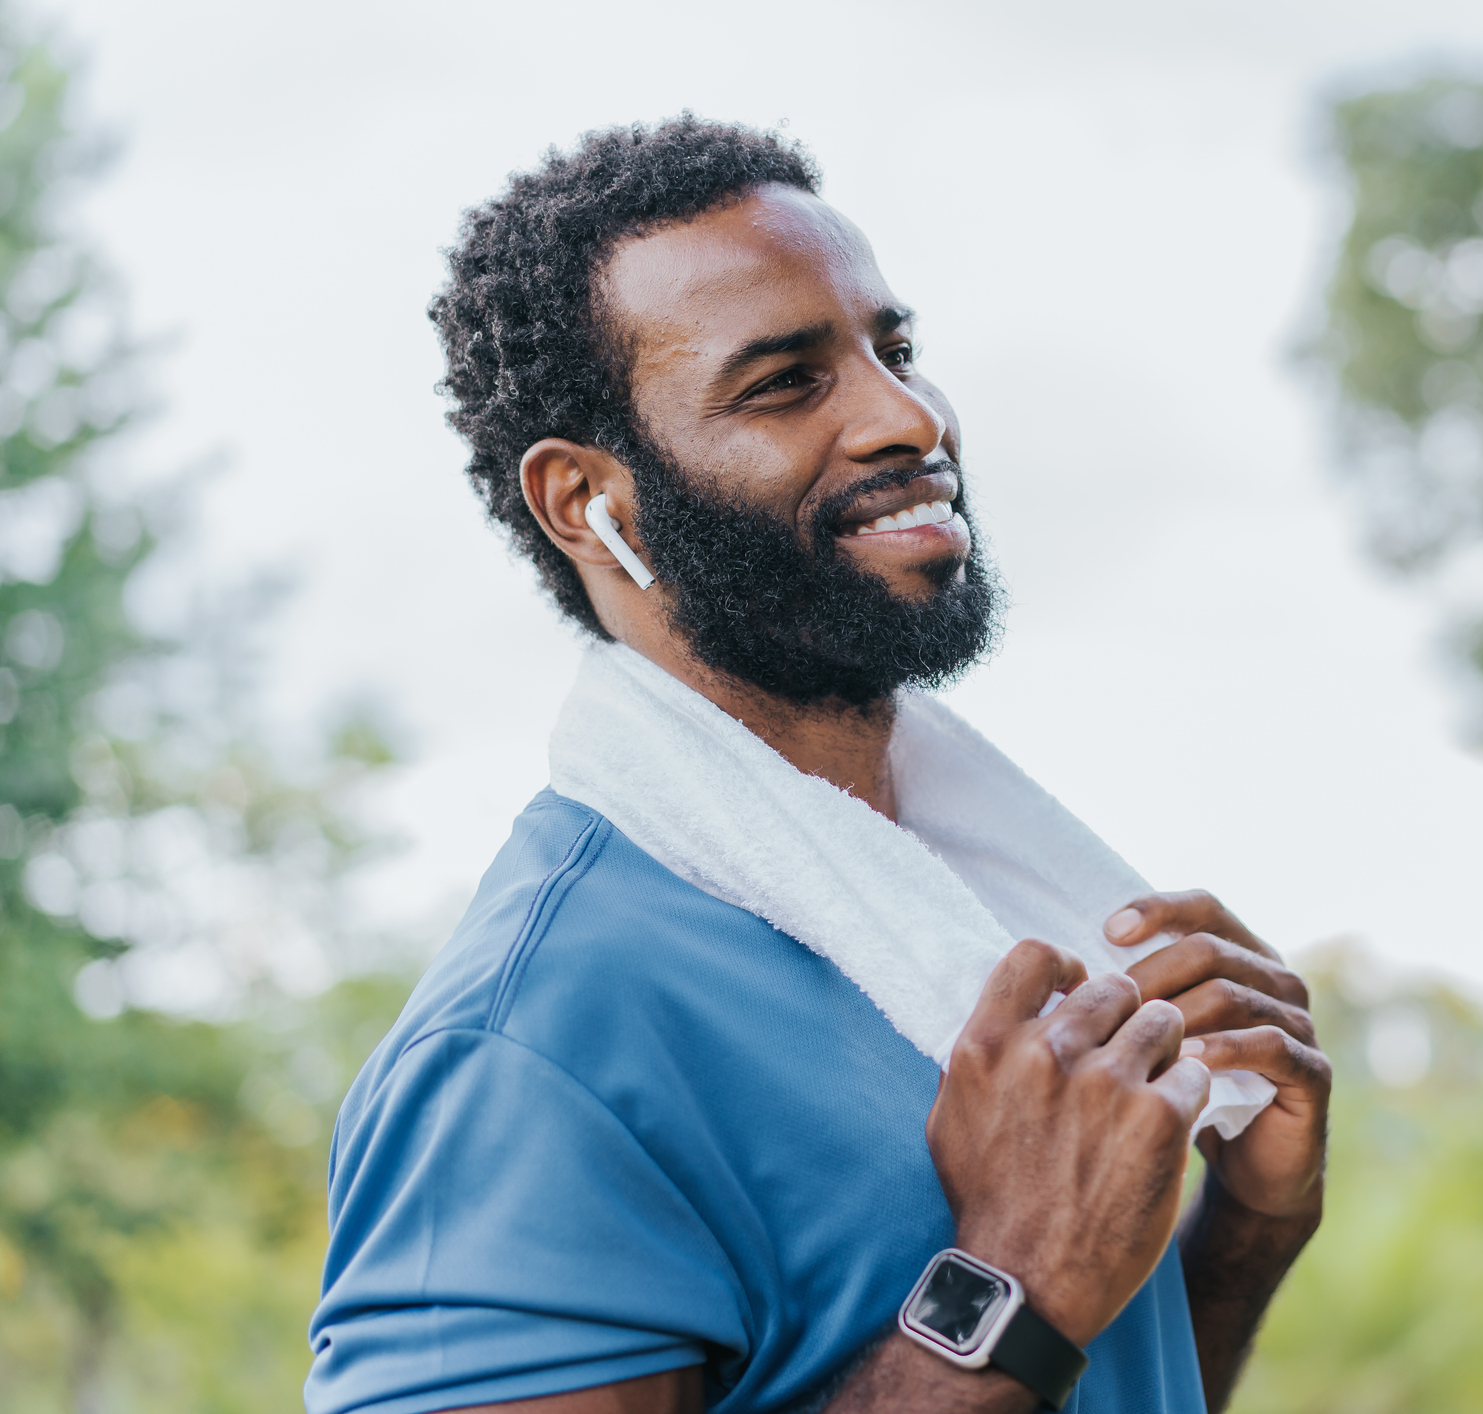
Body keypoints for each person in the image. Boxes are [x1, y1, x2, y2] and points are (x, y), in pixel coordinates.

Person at [306, 118, 1330, 1414]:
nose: (905, 416)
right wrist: (1016, 1274)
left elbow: (1084, 1384)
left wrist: (1246, 1225)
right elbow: (1023, 1324)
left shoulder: (974, 917)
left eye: (892, 352)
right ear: (584, 499)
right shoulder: (529, 1043)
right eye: (785, 383)